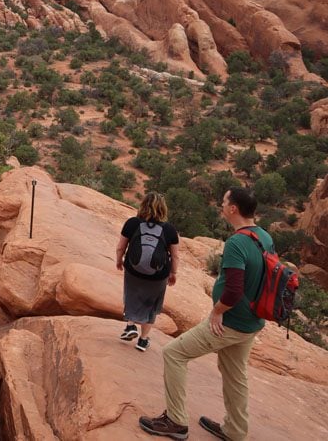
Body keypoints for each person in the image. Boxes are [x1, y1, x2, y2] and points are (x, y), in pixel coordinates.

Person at [139, 187, 270, 440]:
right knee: (235, 374)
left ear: (233, 209)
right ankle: (235, 430)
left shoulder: (237, 242)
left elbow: (233, 289)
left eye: (224, 202)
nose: (221, 206)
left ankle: (176, 421)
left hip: (230, 322)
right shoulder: (263, 236)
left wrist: (218, 311)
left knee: (174, 354)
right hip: (252, 321)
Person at [115, 191, 180, 352]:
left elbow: (121, 247)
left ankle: (130, 326)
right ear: (163, 209)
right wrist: (173, 273)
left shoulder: (132, 223)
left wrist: (119, 260)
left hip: (133, 269)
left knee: (131, 295)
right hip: (158, 275)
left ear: (143, 205)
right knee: (151, 304)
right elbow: (175, 256)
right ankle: (143, 340)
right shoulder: (170, 230)